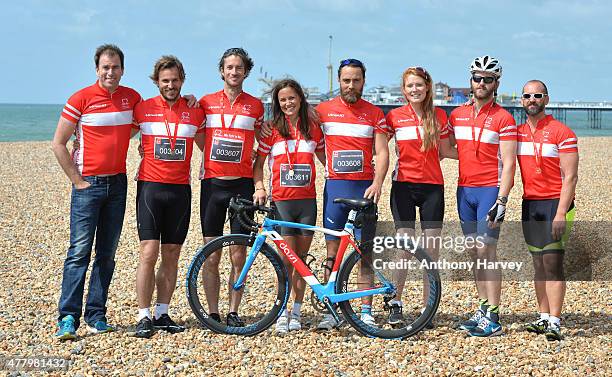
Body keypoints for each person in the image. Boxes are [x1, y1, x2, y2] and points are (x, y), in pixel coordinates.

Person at [52, 44, 142, 340]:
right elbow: (58, 144)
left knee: (107, 253)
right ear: (97, 69)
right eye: (105, 67)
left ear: (122, 69)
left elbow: (145, 122)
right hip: (88, 186)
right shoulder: (81, 98)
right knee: (78, 253)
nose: (110, 72)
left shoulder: (132, 98)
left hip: (118, 184)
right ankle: (68, 317)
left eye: (115, 67)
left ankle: (96, 314)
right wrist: (77, 181)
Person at [131, 56, 205, 338]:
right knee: (148, 252)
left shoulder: (194, 111)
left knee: (172, 253)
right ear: (156, 82)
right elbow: (115, 133)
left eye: (175, 80)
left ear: (182, 80)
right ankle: (143, 315)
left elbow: (208, 143)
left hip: (180, 190)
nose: (171, 85)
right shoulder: (143, 109)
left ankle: (162, 313)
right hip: (150, 188)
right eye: (165, 81)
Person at [315, 58, 389, 329]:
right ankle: (331, 308)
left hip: (364, 188)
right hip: (335, 187)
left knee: (365, 251)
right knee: (331, 250)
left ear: (363, 81)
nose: (351, 85)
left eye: (356, 80)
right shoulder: (323, 110)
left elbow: (382, 152)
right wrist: (329, 165)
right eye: (346, 80)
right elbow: (309, 140)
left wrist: (378, 183)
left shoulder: (374, 113)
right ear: (339, 81)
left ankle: (366, 309)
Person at [448, 55, 517, 337]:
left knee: (487, 252)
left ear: (496, 83)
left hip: (490, 189)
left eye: (488, 78)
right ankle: (483, 307)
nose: (482, 82)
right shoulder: (457, 114)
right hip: (464, 190)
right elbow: (449, 148)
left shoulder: (504, 117)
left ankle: (495, 317)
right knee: (474, 253)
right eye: (478, 77)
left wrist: (502, 201)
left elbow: (510, 163)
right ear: (471, 80)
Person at [384, 67, 457, 327]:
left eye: (418, 85)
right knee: (404, 248)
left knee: (430, 252)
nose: (414, 90)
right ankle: (395, 302)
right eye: (409, 86)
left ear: (427, 87)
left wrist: (484, 154)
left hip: (432, 189)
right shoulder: (393, 116)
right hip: (402, 187)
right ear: (404, 90)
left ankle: (429, 307)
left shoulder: (439, 115)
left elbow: (448, 149)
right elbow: (377, 147)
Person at [198, 48, 265, 327]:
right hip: (212, 185)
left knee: (238, 253)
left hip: (243, 185)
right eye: (229, 67)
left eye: (239, 68)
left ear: (246, 72)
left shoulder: (256, 106)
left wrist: (258, 179)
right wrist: (214, 156)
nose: (234, 72)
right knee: (211, 252)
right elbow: (200, 136)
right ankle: (213, 313)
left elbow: (265, 141)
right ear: (221, 71)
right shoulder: (205, 103)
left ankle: (233, 310)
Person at [253, 79, 325, 333]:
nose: (288, 103)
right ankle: (282, 311)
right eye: (283, 100)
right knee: (285, 260)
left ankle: (297, 310)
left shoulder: (313, 128)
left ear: (300, 99)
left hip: (307, 202)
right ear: (277, 103)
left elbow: (326, 158)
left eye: (292, 98)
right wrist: (260, 187)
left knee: (301, 261)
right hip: (282, 201)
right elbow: (258, 165)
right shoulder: (272, 129)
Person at [517, 80, 578, 341]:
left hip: (556, 204)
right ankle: (542, 318)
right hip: (530, 204)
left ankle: (555, 320)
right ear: (522, 101)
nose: (533, 99)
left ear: (546, 99)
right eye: (528, 96)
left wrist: (561, 212)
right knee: (538, 264)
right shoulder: (517, 132)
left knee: (553, 263)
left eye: (537, 95)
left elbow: (571, 177)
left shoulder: (562, 131)